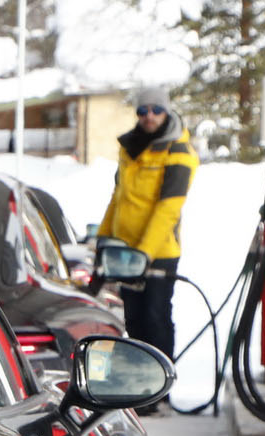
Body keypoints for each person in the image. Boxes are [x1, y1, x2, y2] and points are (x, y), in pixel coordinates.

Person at [97, 85, 198, 388]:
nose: (149, 116)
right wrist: (104, 238)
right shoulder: (131, 148)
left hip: (157, 253)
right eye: (143, 110)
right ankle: (136, 388)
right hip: (125, 253)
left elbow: (169, 208)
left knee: (155, 319)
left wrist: (144, 253)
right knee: (133, 322)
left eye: (156, 110)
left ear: (166, 112)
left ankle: (158, 390)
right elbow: (118, 198)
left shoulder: (178, 151)